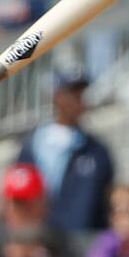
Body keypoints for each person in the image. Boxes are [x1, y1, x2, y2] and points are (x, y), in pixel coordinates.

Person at [17, 69, 114, 234]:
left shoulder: (97, 152)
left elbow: (104, 202)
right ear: (57, 98)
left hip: (81, 241)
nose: (77, 101)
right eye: (71, 94)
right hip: (38, 238)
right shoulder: (33, 145)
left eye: (80, 95)